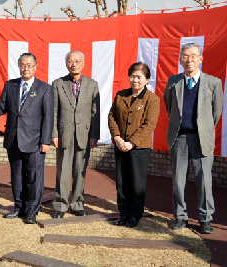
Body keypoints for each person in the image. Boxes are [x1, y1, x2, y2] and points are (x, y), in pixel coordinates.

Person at [0, 53, 54, 224]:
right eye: (22, 65)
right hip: (13, 140)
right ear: (18, 66)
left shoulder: (44, 88)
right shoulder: (11, 85)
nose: (26, 68)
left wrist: (46, 141)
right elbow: (1, 108)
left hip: (35, 142)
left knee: (34, 178)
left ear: (35, 67)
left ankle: (32, 211)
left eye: (29, 65)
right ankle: (19, 207)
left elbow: (48, 117)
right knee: (17, 177)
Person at [163, 43, 223, 234]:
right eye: (185, 56)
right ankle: (180, 216)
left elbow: (216, 113)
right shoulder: (173, 81)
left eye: (193, 56)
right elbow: (169, 106)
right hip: (179, 138)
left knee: (204, 181)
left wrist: (203, 129)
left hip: (201, 139)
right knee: (178, 181)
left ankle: (205, 218)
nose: (189, 60)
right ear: (181, 59)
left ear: (200, 59)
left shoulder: (213, 83)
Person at [108, 62, 160, 228]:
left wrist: (131, 142)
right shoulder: (121, 95)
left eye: (139, 77)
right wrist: (117, 137)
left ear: (146, 79)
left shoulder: (152, 99)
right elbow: (112, 116)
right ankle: (123, 213)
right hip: (120, 145)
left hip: (139, 148)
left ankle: (134, 215)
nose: (135, 80)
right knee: (122, 182)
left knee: (137, 183)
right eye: (132, 76)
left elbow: (149, 124)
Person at [51, 51, 100, 218]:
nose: (74, 64)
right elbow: (54, 111)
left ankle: (77, 204)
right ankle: (60, 205)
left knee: (80, 171)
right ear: (66, 64)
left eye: (77, 61)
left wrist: (95, 135)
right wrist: (54, 133)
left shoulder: (92, 85)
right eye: (70, 61)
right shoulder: (58, 84)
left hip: (84, 135)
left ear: (83, 63)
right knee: (63, 171)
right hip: (64, 133)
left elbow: (96, 112)